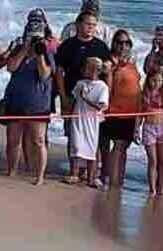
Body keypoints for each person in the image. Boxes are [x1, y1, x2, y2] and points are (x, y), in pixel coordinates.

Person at [54, 10, 110, 183]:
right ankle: (74, 171)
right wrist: (63, 97)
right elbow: (59, 72)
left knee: (95, 137)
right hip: (73, 95)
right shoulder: (67, 45)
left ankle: (91, 174)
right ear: (78, 24)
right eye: (88, 24)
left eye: (94, 25)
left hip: (95, 97)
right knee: (73, 134)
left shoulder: (100, 46)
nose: (91, 28)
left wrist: (107, 97)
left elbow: (108, 72)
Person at [2, 16, 53, 185]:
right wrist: (25, 49)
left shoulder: (47, 51)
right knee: (12, 140)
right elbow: (10, 67)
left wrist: (39, 55)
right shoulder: (18, 48)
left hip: (38, 104)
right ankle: (12, 171)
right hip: (16, 101)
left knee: (38, 140)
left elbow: (45, 75)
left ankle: (39, 177)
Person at [99, 29, 139, 189]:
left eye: (127, 43)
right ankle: (112, 182)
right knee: (116, 147)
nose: (123, 46)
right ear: (114, 44)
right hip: (114, 111)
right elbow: (106, 91)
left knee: (122, 149)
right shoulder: (109, 63)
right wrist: (110, 72)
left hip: (131, 112)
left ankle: (117, 182)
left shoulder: (132, 63)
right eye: (120, 42)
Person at [67, 56, 108, 187]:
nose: (83, 69)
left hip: (92, 122)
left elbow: (101, 107)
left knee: (91, 148)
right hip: (78, 118)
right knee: (76, 145)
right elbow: (73, 100)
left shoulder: (102, 87)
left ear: (95, 70)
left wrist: (85, 99)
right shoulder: (80, 83)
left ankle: (91, 178)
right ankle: (74, 174)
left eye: (86, 67)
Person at [135, 67, 163, 197]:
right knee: (153, 160)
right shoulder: (143, 96)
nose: (157, 83)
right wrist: (136, 130)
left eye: (160, 80)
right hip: (148, 128)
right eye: (154, 80)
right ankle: (152, 189)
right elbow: (139, 114)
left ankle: (161, 189)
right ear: (149, 80)